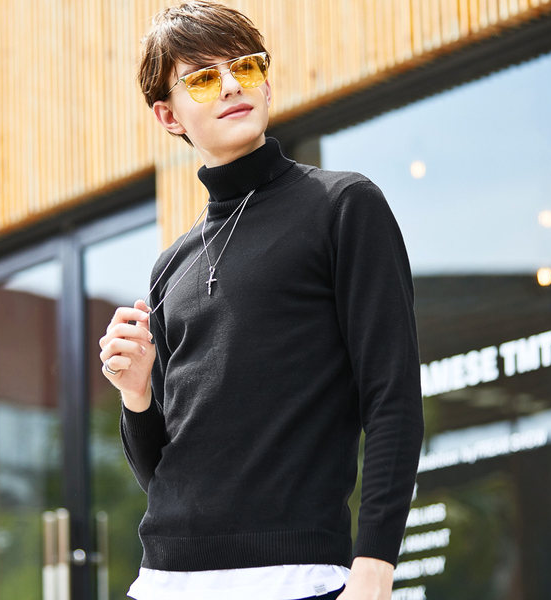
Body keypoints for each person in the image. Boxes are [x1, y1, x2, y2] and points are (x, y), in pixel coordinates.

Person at [98, 2, 425, 599]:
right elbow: (163, 476)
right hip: (163, 581)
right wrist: (136, 394)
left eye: (245, 67)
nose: (230, 86)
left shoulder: (343, 207)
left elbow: (393, 397)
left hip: (296, 576)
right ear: (168, 115)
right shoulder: (171, 267)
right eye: (203, 77)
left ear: (266, 82)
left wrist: (375, 565)